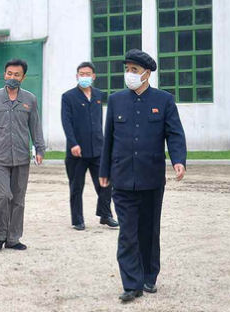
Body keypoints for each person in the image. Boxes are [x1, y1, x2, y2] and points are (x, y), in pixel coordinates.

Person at [98, 49, 187, 302]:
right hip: (122, 178)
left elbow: (175, 134)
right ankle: (131, 284)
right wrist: (104, 172)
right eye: (127, 69)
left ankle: (149, 275)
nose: (129, 74)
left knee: (148, 231)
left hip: (151, 178)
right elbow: (109, 139)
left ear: (147, 74)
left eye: (134, 70)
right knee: (127, 232)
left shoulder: (164, 100)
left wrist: (178, 160)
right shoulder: (116, 100)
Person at [0, 58, 45, 252]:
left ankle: (13, 238)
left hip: (22, 157)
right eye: (9, 73)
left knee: (18, 199)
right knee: (2, 196)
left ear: (23, 77)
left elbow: (35, 126)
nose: (12, 77)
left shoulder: (30, 100)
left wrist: (39, 149)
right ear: (4, 74)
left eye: (16, 74)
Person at [61, 62, 119, 231]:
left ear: (93, 76)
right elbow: (67, 122)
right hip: (77, 152)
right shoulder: (68, 96)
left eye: (87, 74)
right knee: (76, 186)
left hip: (98, 149)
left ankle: (105, 215)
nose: (84, 77)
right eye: (81, 73)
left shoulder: (99, 95)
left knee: (105, 183)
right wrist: (73, 143)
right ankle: (77, 220)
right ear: (77, 76)